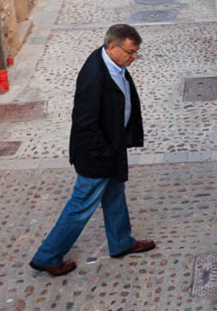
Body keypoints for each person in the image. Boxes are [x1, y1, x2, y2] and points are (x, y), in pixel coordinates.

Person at [29, 25, 154, 277]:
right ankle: (47, 256)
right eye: (131, 52)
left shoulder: (115, 64)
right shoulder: (93, 76)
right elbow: (84, 123)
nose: (134, 57)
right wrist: (106, 152)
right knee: (81, 205)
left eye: (136, 52)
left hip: (112, 148)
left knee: (115, 194)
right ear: (112, 48)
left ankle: (121, 242)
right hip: (96, 155)